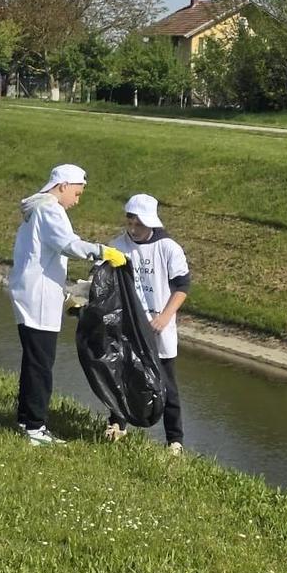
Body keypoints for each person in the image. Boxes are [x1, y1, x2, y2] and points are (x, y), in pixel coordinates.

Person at [9, 164, 127, 445]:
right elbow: (68, 244)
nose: (77, 200)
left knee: (34, 361)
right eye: (77, 192)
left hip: (33, 292)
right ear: (62, 186)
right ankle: (35, 429)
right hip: (38, 299)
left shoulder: (38, 208)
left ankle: (26, 419)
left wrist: (65, 292)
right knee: (41, 364)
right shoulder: (50, 209)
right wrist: (103, 251)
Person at [108, 194, 191, 455]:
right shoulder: (118, 246)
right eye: (130, 222)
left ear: (150, 223)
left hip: (159, 326)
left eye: (138, 224)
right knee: (123, 376)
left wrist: (165, 316)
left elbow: (182, 286)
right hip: (128, 324)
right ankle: (116, 424)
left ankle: (174, 441)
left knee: (167, 384)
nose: (132, 229)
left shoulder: (168, 248)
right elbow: (105, 282)